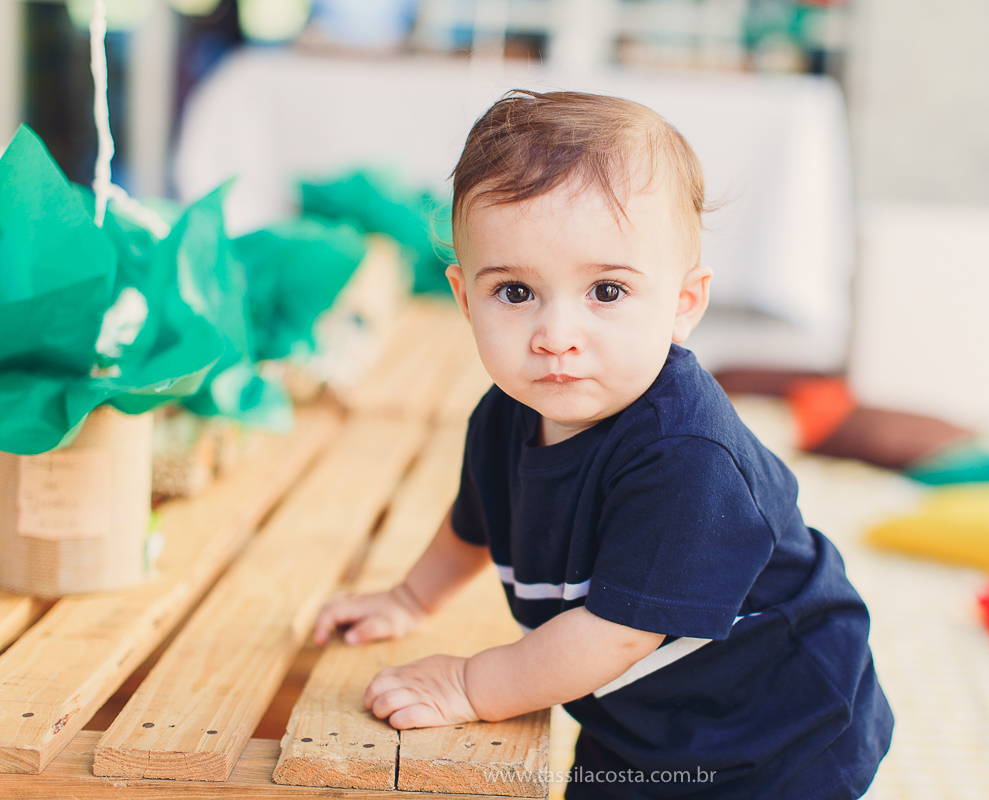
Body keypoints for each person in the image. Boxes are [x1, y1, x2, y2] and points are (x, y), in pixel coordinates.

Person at [313, 89, 892, 799]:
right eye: (517, 293)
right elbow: (475, 524)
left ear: (683, 303)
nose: (557, 334)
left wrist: (470, 684)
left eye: (607, 292)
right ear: (465, 299)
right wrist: (407, 598)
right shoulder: (504, 415)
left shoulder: (687, 456)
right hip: (636, 712)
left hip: (773, 729)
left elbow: (617, 632)